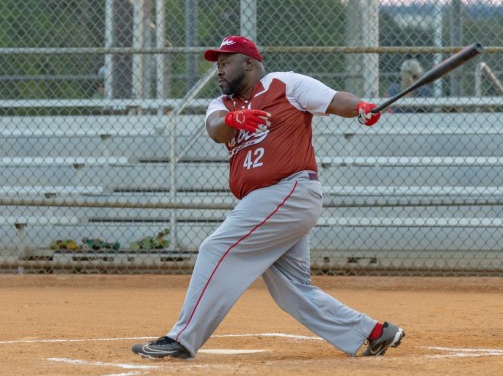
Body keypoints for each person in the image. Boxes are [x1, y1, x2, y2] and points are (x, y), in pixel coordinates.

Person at [131, 35, 405, 359]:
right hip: (264, 203)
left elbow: (333, 100)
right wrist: (233, 120)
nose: (218, 71)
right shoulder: (222, 105)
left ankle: (181, 339)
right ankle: (372, 332)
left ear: (249, 63)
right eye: (217, 64)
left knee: (216, 248)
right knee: (293, 291)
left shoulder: (284, 84)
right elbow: (215, 129)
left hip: (289, 189)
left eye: (225, 63)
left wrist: (360, 108)